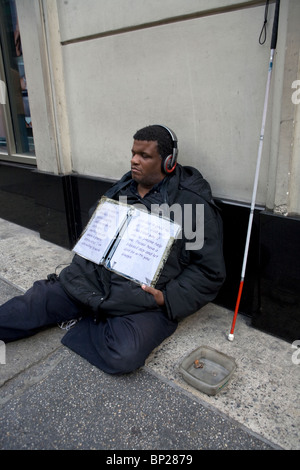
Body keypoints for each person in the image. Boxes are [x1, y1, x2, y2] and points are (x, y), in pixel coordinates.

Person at [0, 125, 226, 374]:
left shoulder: (192, 206)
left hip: (141, 301)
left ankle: (89, 317)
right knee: (22, 310)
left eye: (145, 156)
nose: (134, 160)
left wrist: (166, 298)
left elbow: (208, 271)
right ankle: (90, 310)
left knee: (123, 356)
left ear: (168, 162)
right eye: (133, 153)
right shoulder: (123, 187)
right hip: (89, 281)